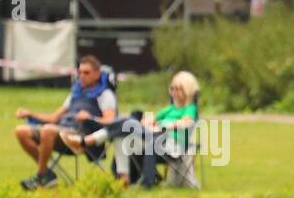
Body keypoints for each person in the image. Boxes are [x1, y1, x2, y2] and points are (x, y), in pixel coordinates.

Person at [62, 71, 199, 187]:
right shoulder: (170, 109)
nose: (173, 92)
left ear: (187, 90)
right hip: (154, 139)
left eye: (178, 89)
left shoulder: (190, 108)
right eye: (172, 88)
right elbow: (148, 120)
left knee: (126, 121)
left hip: (171, 146)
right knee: (121, 136)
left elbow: (185, 123)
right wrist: (150, 123)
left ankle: (86, 141)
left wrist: (161, 125)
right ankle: (124, 179)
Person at [14, 55, 116, 190]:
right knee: (21, 131)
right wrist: (30, 114)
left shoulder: (105, 95)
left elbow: (111, 121)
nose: (82, 76)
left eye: (86, 73)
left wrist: (90, 117)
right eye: (80, 72)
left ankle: (40, 177)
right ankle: (46, 173)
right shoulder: (75, 93)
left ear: (97, 74)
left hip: (82, 137)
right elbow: (53, 118)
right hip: (61, 130)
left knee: (48, 130)